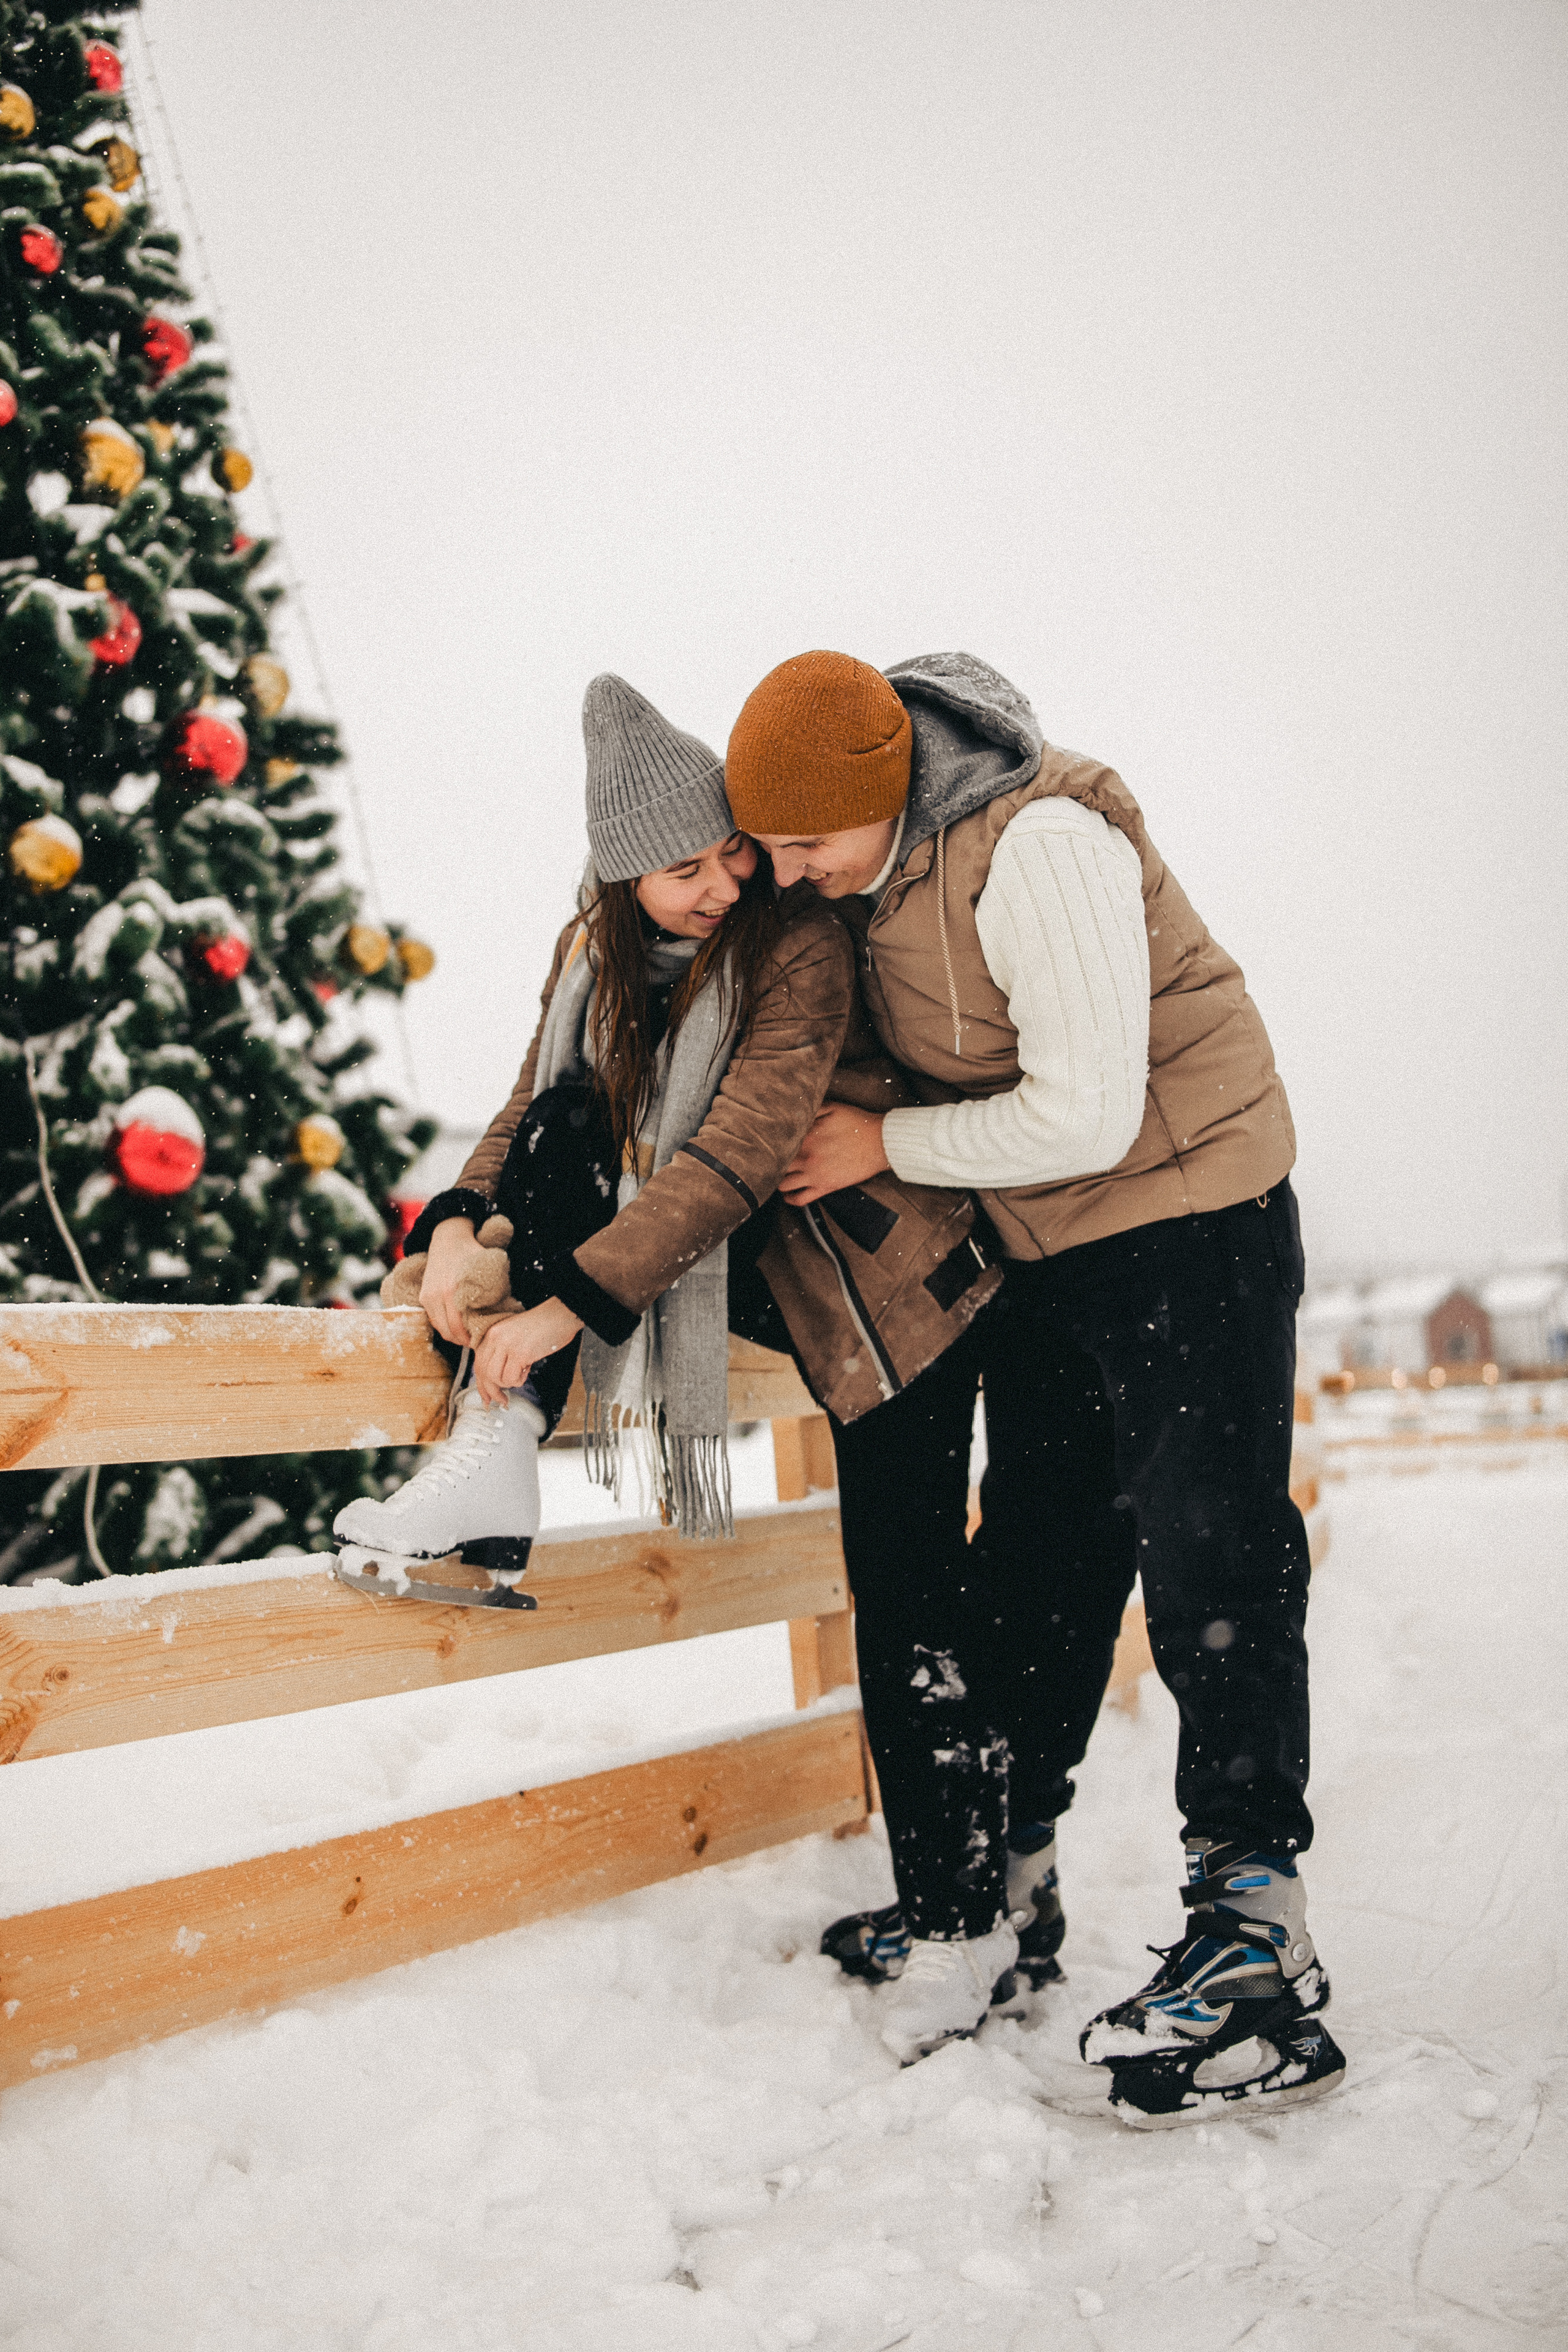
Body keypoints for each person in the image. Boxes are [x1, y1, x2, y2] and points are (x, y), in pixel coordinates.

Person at [332, 657, 1003, 2025]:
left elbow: (736, 1152)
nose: (718, 884)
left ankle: (963, 1923)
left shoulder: (792, 943)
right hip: (731, 1269)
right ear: (615, 875)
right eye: (681, 869)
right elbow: (533, 1114)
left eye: (725, 853)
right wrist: (454, 1227)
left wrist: (560, 1306)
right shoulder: (591, 959)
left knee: (907, 1600)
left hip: (882, 1292)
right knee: (575, 1137)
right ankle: (497, 1452)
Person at [725, 647, 1343, 2122]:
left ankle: (1255, 1947)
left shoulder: (1039, 838)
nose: (785, 874)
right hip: (1052, 1242)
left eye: (803, 842)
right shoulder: (862, 883)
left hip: (1192, 1219)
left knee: (1212, 1560)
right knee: (1044, 1565)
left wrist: (882, 1149)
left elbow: (1086, 1104)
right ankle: (1012, 1886)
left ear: (878, 794)